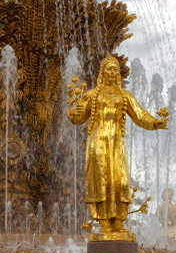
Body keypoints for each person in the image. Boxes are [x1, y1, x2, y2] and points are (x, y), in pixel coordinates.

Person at [67, 56, 169, 240]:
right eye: (109, 69)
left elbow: (140, 115)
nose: (113, 72)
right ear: (102, 72)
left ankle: (118, 221)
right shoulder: (92, 95)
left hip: (116, 143)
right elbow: (78, 117)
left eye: (116, 69)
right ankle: (104, 221)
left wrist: (155, 123)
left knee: (119, 181)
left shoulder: (125, 96)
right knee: (100, 180)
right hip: (98, 142)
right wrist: (71, 112)